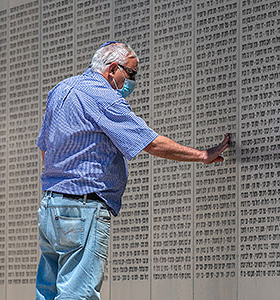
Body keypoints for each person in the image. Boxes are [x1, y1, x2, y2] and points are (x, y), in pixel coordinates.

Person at [34, 41, 230, 300]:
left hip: (51, 208)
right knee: (77, 294)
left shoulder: (61, 89)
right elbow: (150, 142)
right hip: (83, 207)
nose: (132, 82)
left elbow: (44, 148)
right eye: (131, 74)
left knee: (47, 293)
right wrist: (203, 155)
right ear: (113, 69)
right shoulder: (103, 96)